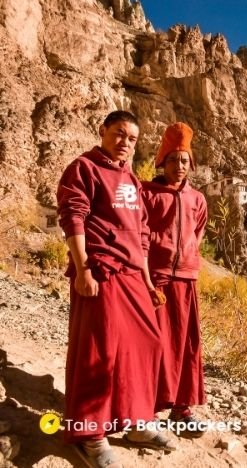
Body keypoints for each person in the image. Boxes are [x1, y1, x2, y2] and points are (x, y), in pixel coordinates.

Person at [57, 111, 176, 468]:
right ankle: (90, 434)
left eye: (132, 138)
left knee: (146, 344)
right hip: (101, 271)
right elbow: (73, 217)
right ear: (103, 132)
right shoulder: (84, 168)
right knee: (100, 351)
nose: (125, 143)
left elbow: (140, 234)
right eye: (119, 134)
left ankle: (137, 420)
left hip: (131, 275)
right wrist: (83, 269)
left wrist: (147, 280)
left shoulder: (132, 180)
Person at [142, 122, 208, 435]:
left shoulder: (198, 200)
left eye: (184, 161)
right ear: (161, 161)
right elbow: (139, 231)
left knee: (185, 345)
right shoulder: (147, 193)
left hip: (186, 279)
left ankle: (182, 409)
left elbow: (197, 233)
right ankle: (148, 407)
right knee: (155, 342)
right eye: (172, 160)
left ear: (190, 164)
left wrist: (186, 255)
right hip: (155, 279)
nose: (178, 166)